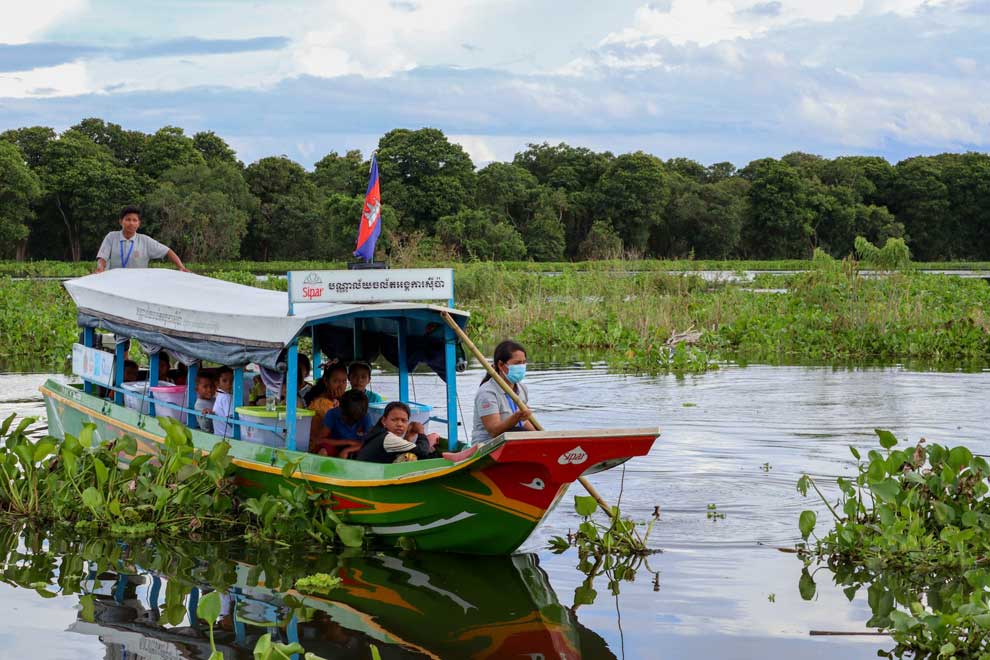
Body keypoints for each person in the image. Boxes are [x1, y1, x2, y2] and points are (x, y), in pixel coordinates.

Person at [471, 339, 535, 444]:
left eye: (524, 363)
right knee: (518, 433)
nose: (522, 366)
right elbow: (494, 431)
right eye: (517, 363)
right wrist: (516, 417)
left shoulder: (522, 388)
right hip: (488, 445)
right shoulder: (487, 392)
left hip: (513, 439)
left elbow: (525, 422)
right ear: (501, 365)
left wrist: (540, 436)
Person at [95, 206, 189, 273]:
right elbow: (102, 257)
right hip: (114, 283)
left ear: (139, 223)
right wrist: (100, 268)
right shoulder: (111, 237)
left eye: (134, 220)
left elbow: (168, 251)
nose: (131, 223)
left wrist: (181, 267)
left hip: (138, 285)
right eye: (128, 219)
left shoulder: (145, 240)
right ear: (121, 221)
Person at [357, 401, 439, 464]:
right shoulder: (388, 438)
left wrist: (408, 436)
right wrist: (421, 432)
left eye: (404, 421)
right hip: (370, 476)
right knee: (411, 457)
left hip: (370, 470)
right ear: (384, 421)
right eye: (394, 420)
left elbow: (402, 449)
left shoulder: (380, 432)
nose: (399, 424)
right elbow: (422, 451)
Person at [312, 390, 374, 458]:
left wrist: (347, 450)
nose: (348, 421)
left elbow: (371, 443)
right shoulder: (333, 414)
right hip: (335, 445)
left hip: (356, 448)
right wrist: (347, 442)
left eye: (353, 420)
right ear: (341, 409)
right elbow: (319, 440)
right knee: (323, 452)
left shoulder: (366, 416)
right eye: (344, 416)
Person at [306, 362, 348, 441]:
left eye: (344, 381)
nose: (341, 386)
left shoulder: (335, 400)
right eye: (336, 381)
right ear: (326, 381)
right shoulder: (322, 403)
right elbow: (341, 428)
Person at [212, 367, 235, 437]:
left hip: (219, 434)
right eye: (224, 381)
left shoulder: (220, 395)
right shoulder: (226, 397)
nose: (229, 384)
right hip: (229, 436)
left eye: (232, 380)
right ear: (217, 383)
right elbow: (231, 420)